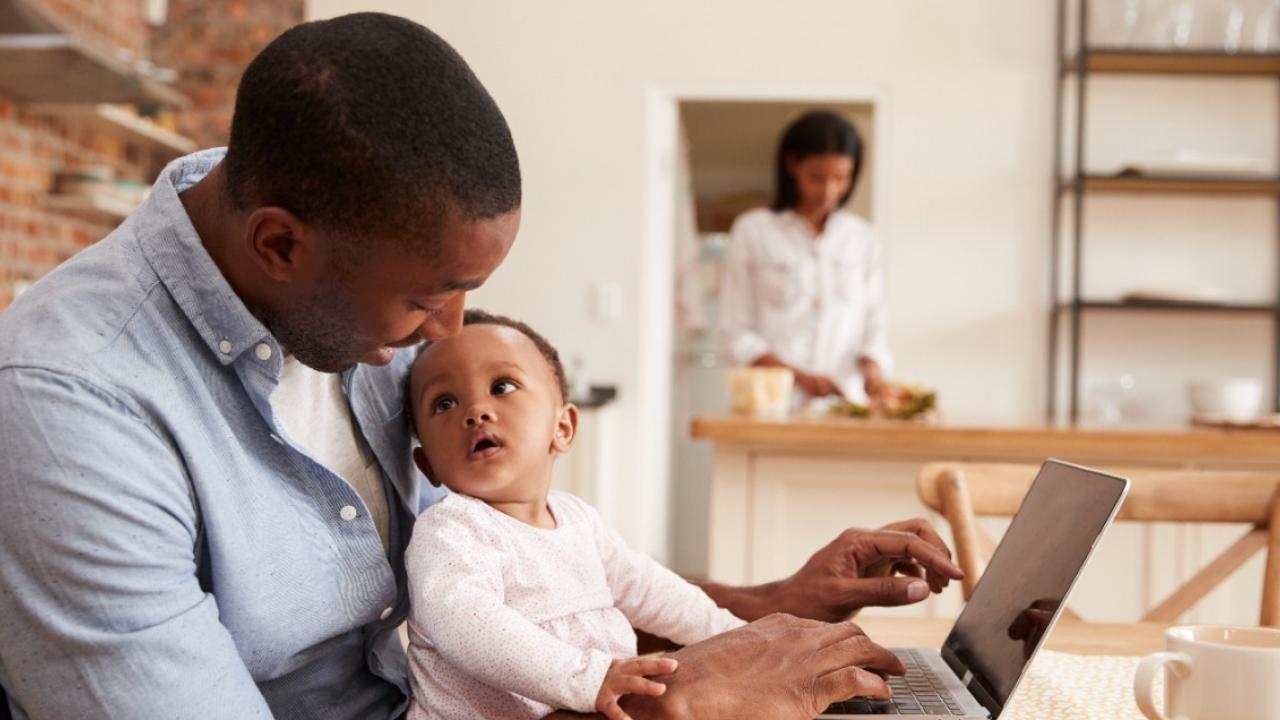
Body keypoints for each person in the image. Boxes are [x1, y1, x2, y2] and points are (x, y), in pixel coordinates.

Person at [0, 12, 961, 720]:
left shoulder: (349, 254)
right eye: (427, 299)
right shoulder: (69, 410)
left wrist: (768, 608)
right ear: (280, 246)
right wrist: (682, 703)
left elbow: (539, 584)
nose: (446, 333)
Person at [404, 309, 750, 720]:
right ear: (429, 467)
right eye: (444, 403)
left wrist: (737, 637)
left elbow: (651, 589)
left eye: (503, 386)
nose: (476, 411)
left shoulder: (578, 519)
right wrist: (586, 677)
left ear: (563, 427)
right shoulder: (451, 530)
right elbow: (466, 625)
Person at [720, 110, 891, 404]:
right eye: (817, 177)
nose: (829, 191)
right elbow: (736, 334)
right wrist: (799, 378)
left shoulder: (861, 238)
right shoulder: (754, 231)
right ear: (791, 165)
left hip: (846, 407)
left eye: (841, 178)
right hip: (773, 406)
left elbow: (874, 324)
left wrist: (874, 376)